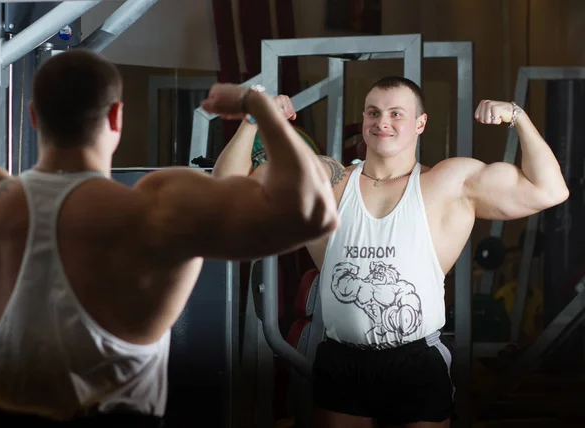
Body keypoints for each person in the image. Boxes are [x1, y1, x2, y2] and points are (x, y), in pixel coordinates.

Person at [0, 49, 339, 427]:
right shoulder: (159, 207)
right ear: (117, 117)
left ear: (34, 116)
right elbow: (314, 212)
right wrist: (259, 110)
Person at [211, 76, 570, 428]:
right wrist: (251, 121)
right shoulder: (325, 181)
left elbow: (549, 190)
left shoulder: (448, 184)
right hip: (342, 359)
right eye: (373, 112)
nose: (382, 122)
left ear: (420, 124)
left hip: (415, 359)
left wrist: (518, 117)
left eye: (396, 113)